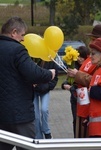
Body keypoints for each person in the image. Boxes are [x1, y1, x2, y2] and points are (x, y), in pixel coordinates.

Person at [0, 16, 55, 150]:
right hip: (19, 115)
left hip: (1, 116)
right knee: (27, 147)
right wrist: (50, 74)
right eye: (22, 35)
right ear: (13, 32)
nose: (24, 39)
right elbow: (34, 73)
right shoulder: (17, 50)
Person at [61, 46, 90, 137]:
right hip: (74, 99)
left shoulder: (88, 67)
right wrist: (64, 85)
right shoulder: (74, 66)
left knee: (83, 121)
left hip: (83, 98)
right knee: (75, 120)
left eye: (82, 57)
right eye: (78, 56)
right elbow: (68, 80)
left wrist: (71, 88)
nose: (80, 59)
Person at [33, 59, 58, 139]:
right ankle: (39, 136)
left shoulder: (50, 61)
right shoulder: (31, 60)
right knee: (35, 115)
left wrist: (47, 86)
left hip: (44, 89)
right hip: (33, 90)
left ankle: (46, 131)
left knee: (44, 109)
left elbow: (54, 78)